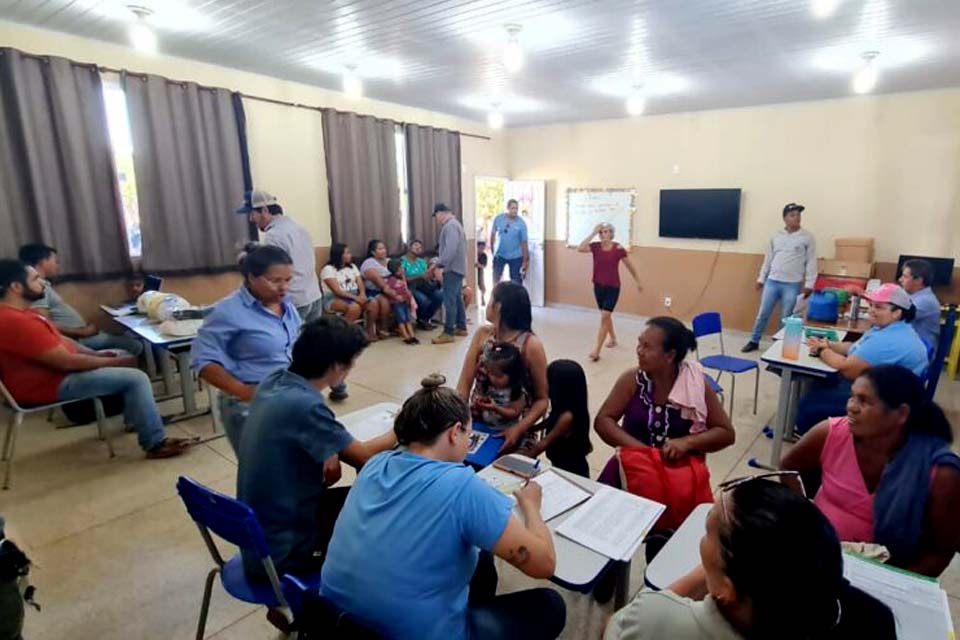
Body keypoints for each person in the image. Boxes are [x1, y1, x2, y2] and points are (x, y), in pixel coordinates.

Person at [320, 375, 566, 640]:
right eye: (468, 435)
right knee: (550, 605)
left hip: (336, 622)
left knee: (481, 558)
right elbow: (544, 565)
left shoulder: (374, 465)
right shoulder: (462, 488)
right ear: (454, 432)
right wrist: (530, 506)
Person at [604, 478, 895, 640]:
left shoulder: (659, 619)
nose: (701, 541)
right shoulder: (873, 619)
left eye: (708, 531)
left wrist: (709, 575)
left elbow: (615, 627)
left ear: (728, 591)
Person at [237, 317, 398, 582]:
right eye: (351, 362)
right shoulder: (305, 405)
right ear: (336, 366)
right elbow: (365, 457)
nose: (351, 368)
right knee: (386, 510)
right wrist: (401, 426)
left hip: (259, 538)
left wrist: (330, 450)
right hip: (287, 552)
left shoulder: (274, 382)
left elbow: (306, 432)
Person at [0, 260, 191, 459]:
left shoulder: (24, 313)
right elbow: (67, 362)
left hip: (54, 375)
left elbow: (63, 342)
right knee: (137, 378)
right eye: (35, 279)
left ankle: (137, 420)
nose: (42, 283)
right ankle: (155, 443)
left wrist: (97, 355)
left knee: (123, 354)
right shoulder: (15, 321)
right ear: (16, 287)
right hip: (49, 384)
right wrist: (111, 362)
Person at [783, 365, 960, 576]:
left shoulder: (939, 473)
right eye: (852, 397)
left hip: (888, 574)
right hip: (819, 556)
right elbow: (788, 467)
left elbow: (940, 553)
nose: (851, 407)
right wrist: (805, 516)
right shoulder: (832, 434)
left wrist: (889, 582)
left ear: (901, 414)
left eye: (864, 401)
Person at [595, 317, 735, 487]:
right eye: (640, 344)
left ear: (670, 355)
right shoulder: (632, 380)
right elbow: (603, 420)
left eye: (647, 347)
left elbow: (726, 433)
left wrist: (687, 442)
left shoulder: (695, 385)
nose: (639, 351)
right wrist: (645, 453)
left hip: (678, 479)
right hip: (632, 469)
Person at [191, 246, 302, 452]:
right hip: (250, 402)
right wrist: (244, 392)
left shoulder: (287, 306)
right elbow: (203, 361)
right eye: (275, 281)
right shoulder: (227, 311)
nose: (284, 287)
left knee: (293, 461)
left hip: (287, 394)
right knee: (263, 465)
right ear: (252, 277)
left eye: (288, 280)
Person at [796, 283, 929, 435]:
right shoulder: (888, 328)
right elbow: (854, 347)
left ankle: (817, 437)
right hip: (886, 390)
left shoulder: (889, 340)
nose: (871, 310)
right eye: (871, 305)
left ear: (897, 313)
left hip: (886, 403)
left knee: (809, 405)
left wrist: (821, 350)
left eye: (879, 307)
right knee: (818, 383)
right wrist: (828, 344)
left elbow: (846, 369)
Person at [457, 282, 550, 453]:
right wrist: (460, 418)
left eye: (490, 299)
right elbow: (464, 383)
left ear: (498, 307)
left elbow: (542, 400)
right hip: (476, 423)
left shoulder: (530, 345)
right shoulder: (483, 334)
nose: (488, 304)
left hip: (516, 428)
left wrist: (519, 429)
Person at [17, 244, 143, 357]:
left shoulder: (42, 285)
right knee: (135, 345)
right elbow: (45, 325)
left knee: (126, 337)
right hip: (78, 338)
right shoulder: (37, 289)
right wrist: (81, 332)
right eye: (55, 261)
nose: (57, 266)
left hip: (81, 335)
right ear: (43, 262)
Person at [236, 189, 323, 322]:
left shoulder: (274, 235)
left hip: (294, 301)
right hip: (313, 295)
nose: (251, 219)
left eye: (252, 214)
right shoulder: (299, 228)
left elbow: (273, 272)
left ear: (264, 210)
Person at [741, 203, 817, 353]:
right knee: (763, 313)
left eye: (798, 215)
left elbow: (811, 261)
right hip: (772, 281)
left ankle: (781, 346)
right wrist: (761, 279)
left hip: (792, 284)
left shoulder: (807, 237)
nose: (797, 217)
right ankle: (754, 341)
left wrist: (810, 284)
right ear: (785, 218)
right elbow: (768, 259)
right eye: (792, 215)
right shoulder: (776, 236)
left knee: (787, 317)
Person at [576, 223, 643, 362]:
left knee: (605, 316)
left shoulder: (618, 249)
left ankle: (597, 350)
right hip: (598, 286)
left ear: (612, 234)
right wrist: (593, 232)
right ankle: (613, 338)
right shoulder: (595, 247)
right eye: (601, 232)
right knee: (605, 316)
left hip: (613, 287)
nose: (603, 234)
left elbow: (629, 265)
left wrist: (638, 281)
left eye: (606, 232)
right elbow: (580, 248)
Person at [520, 359, 593, 477]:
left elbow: (544, 443)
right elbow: (550, 421)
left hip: (570, 471)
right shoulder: (564, 407)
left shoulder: (567, 418)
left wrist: (521, 458)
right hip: (561, 465)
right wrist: (531, 428)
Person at [320, 243, 378, 341]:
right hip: (335, 298)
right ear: (339, 255)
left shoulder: (352, 267)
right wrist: (356, 298)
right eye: (347, 253)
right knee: (354, 308)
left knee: (373, 303)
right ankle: (343, 335)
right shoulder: (328, 269)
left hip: (355, 295)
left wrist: (362, 294)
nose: (350, 255)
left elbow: (360, 283)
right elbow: (337, 291)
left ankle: (368, 330)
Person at [432, 203, 468, 344]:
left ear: (440, 213)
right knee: (457, 298)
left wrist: (440, 264)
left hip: (452, 268)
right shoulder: (455, 224)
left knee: (450, 300)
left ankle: (448, 332)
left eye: (436, 216)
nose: (436, 220)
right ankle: (461, 326)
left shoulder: (450, 226)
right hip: (457, 267)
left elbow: (450, 249)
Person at [470, 342, 526, 430]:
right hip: (484, 426)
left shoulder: (515, 391)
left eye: (498, 376)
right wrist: (480, 403)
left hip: (507, 430)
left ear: (512, 374)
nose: (493, 378)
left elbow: (515, 412)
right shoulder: (487, 385)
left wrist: (496, 408)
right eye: (490, 373)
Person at [360, 239, 400, 340]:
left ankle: (386, 329)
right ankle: (372, 330)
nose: (384, 251)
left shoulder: (389, 261)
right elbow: (377, 280)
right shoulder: (368, 263)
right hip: (373, 291)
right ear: (373, 252)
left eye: (384, 248)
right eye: (380, 249)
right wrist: (394, 294)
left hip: (389, 290)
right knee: (384, 302)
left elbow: (400, 274)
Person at [898, 258, 941, 350]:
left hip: (920, 350)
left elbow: (894, 316)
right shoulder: (912, 295)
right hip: (909, 344)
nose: (900, 279)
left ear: (918, 280)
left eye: (905, 276)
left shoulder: (925, 300)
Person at [401, 239, 443, 329]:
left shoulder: (422, 262)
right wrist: (419, 276)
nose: (418, 248)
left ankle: (425, 319)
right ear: (409, 247)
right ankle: (421, 320)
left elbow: (426, 276)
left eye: (420, 247)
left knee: (439, 296)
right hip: (411, 287)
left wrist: (431, 273)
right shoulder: (402, 261)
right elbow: (404, 279)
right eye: (416, 245)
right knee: (423, 300)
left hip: (424, 286)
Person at [489, 198, 529, 285]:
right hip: (500, 255)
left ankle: (515, 294)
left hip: (516, 256)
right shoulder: (498, 219)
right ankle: (497, 294)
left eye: (516, 208)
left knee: (516, 282)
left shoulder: (521, 223)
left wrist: (525, 261)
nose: (515, 211)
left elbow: (524, 242)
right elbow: (492, 235)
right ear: (507, 208)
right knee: (496, 280)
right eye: (513, 208)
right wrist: (493, 252)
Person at [386, 258, 419, 345]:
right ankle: (406, 336)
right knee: (401, 320)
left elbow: (405, 287)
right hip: (397, 303)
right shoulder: (392, 280)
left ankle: (412, 336)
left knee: (408, 319)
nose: (402, 269)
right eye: (400, 268)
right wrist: (396, 296)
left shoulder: (402, 278)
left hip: (405, 301)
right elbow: (388, 290)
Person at [476, 239, 489, 305]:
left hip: (480, 272)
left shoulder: (484, 255)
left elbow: (484, 266)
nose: (482, 250)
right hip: (474, 272)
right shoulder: (474, 254)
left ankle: (482, 298)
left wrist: (479, 265)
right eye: (480, 248)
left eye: (483, 248)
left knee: (482, 287)